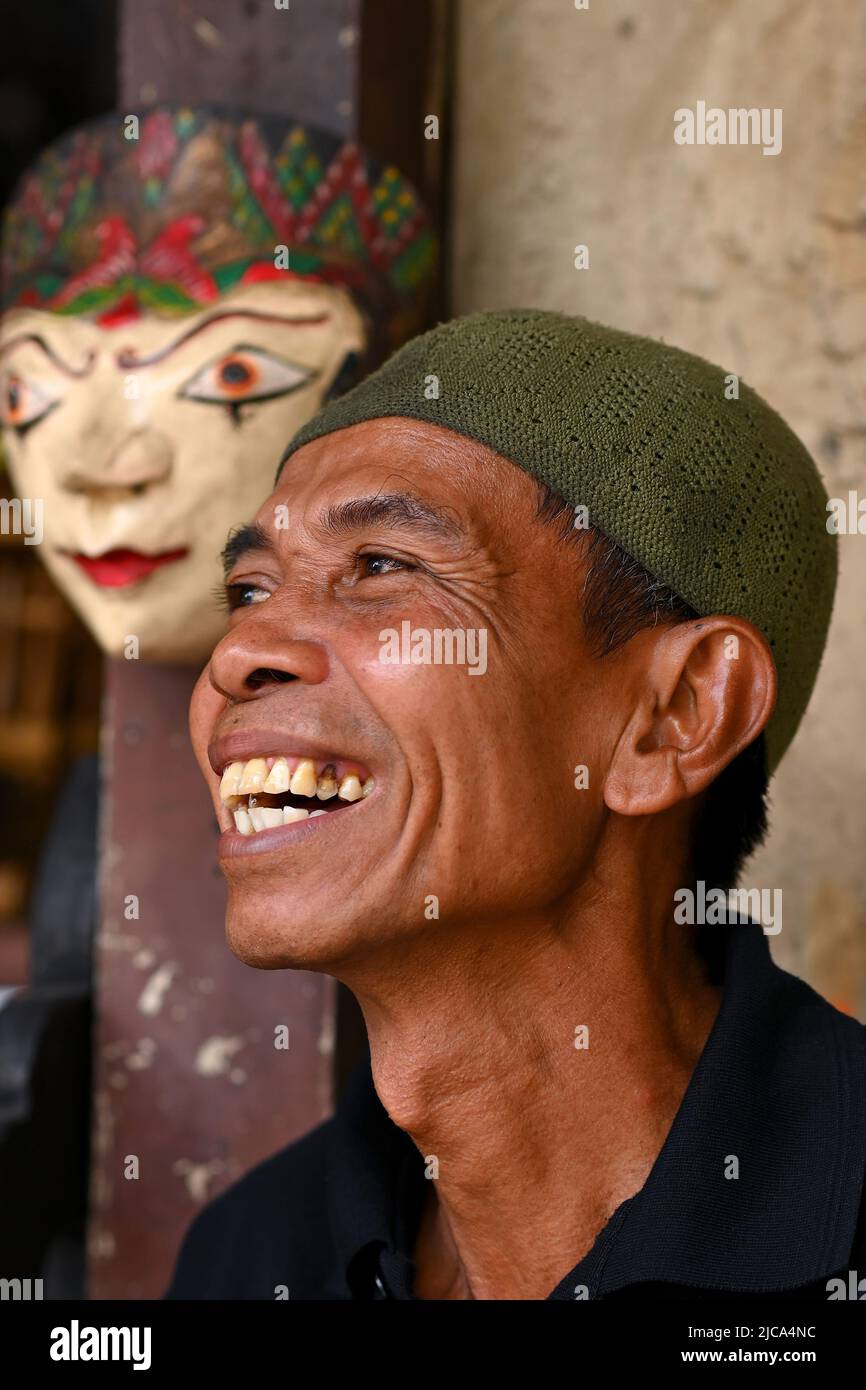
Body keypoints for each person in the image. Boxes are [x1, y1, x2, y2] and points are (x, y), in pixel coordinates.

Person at [166, 309, 865, 1300]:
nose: (238, 655)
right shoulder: (255, 1255)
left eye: (381, 566)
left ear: (674, 716)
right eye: (248, 588)